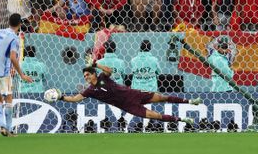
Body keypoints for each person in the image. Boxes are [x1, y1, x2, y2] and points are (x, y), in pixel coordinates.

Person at [56, 58, 202, 123]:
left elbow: (109, 70)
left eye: (88, 74)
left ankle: (190, 101)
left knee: (162, 98)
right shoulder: (90, 90)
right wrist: (60, 97)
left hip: (133, 94)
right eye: (84, 76)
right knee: (155, 115)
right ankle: (183, 119)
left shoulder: (101, 77)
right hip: (127, 106)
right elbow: (75, 99)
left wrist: (95, 63)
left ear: (93, 73)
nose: (86, 77)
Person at [0, 13, 33, 137]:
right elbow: (13, 58)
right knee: (8, 98)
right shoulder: (15, 38)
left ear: (8, 22)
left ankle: (2, 125)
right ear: (20, 24)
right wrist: (22, 74)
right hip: (2, 70)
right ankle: (7, 128)